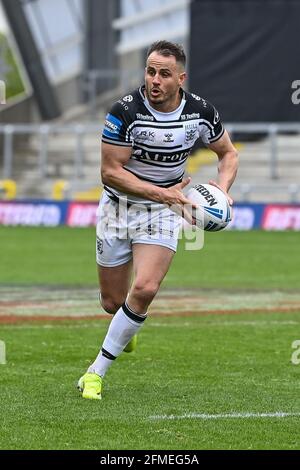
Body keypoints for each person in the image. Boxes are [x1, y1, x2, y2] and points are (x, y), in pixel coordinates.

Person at [77, 40, 238, 400]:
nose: (155, 80)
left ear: (180, 78)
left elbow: (227, 153)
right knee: (111, 302)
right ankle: (124, 327)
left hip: (164, 212)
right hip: (118, 210)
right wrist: (160, 191)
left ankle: (95, 372)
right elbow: (110, 172)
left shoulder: (200, 112)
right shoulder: (125, 112)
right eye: (150, 71)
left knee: (146, 289)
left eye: (164, 74)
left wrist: (223, 188)